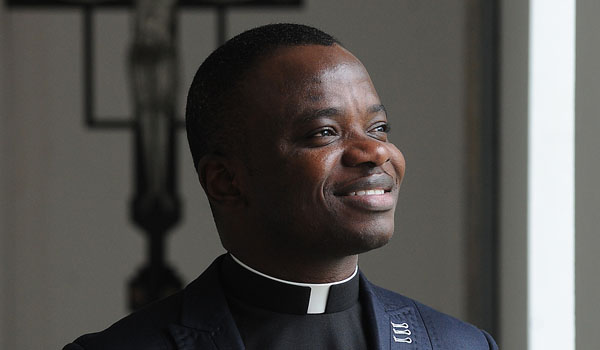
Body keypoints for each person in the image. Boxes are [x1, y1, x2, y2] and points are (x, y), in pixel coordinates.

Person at [64, 23, 498, 350]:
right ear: (226, 181)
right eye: (325, 132)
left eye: (379, 127)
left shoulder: (460, 344)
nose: (375, 152)